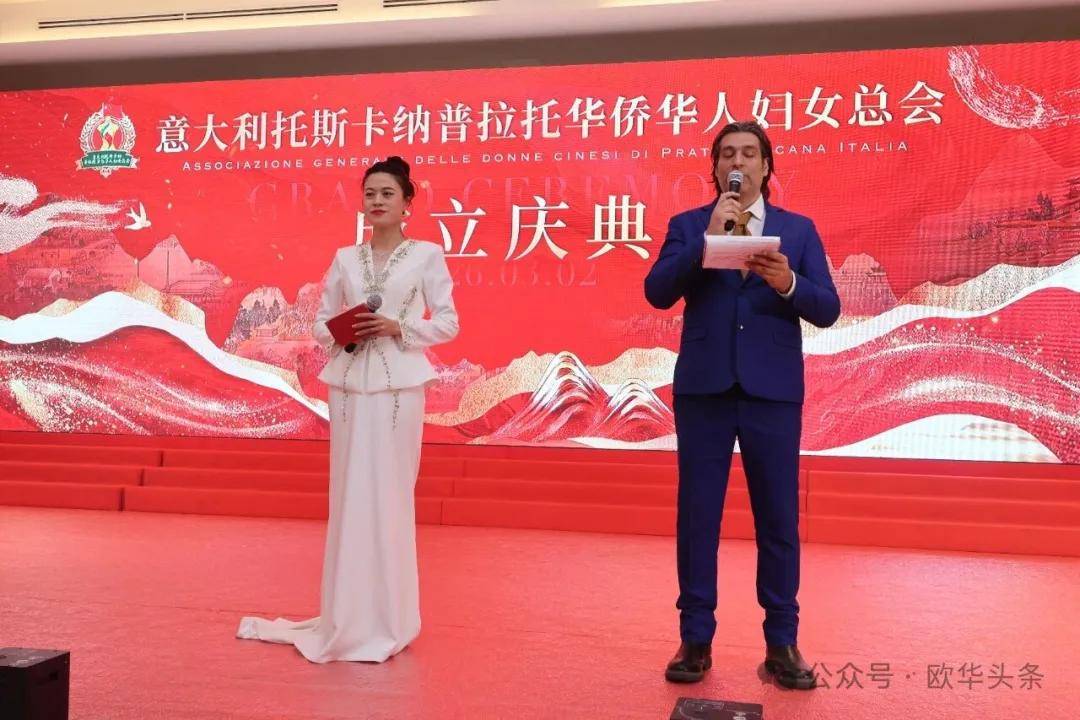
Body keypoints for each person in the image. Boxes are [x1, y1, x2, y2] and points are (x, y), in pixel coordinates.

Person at [237, 156, 459, 662]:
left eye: (388, 193)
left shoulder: (427, 256)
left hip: (401, 388)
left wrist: (399, 328)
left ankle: (390, 621)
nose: (377, 201)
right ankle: (347, 616)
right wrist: (344, 331)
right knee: (349, 497)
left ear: (407, 202)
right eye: (370, 193)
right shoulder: (344, 259)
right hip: (347, 387)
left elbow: (448, 323)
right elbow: (319, 324)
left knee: (391, 496)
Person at [644, 121, 841, 689]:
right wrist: (706, 242)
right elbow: (657, 292)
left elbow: (828, 308)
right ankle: (695, 637)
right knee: (698, 517)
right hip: (704, 390)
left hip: (771, 392)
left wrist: (788, 283)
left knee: (777, 518)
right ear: (715, 168)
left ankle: (782, 642)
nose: (738, 162)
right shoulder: (689, 226)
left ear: (766, 167)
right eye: (727, 154)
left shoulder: (797, 230)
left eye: (749, 154)